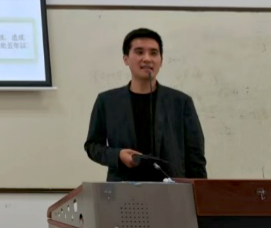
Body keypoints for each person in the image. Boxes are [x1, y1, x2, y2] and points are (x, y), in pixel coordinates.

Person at [84, 28, 207, 181]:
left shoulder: (181, 102)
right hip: (124, 188)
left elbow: (195, 155)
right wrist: (117, 155)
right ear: (126, 59)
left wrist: (201, 190)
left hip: (172, 188)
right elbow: (92, 145)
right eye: (139, 52)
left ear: (161, 60)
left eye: (154, 53)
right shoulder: (107, 101)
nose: (147, 59)